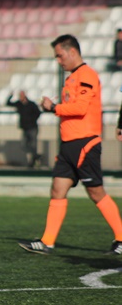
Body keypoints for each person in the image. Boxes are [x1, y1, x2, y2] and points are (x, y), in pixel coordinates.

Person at [19, 34, 122, 255]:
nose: (58, 61)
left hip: (85, 143)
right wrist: (54, 107)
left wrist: (53, 108)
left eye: (60, 55)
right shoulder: (72, 78)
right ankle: (47, 242)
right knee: (57, 189)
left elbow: (81, 108)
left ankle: (121, 238)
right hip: (69, 145)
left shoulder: (87, 75)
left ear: (72, 51)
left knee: (96, 192)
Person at [6, 90, 41, 167]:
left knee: (33, 145)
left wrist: (32, 120)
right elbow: (8, 103)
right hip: (25, 128)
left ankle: (32, 162)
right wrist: (10, 96)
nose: (20, 97)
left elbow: (38, 113)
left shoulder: (31, 104)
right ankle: (35, 155)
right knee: (23, 145)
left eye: (21, 95)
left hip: (32, 128)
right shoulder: (19, 104)